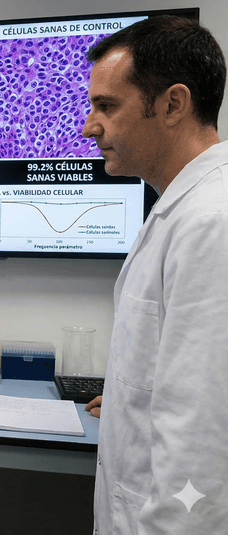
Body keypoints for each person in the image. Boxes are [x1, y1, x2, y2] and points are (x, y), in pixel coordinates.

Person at [80, 15, 228, 534]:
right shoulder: (180, 209)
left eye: (107, 106)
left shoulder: (213, 224)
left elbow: (201, 438)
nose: (89, 126)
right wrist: (128, 400)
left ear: (172, 104)